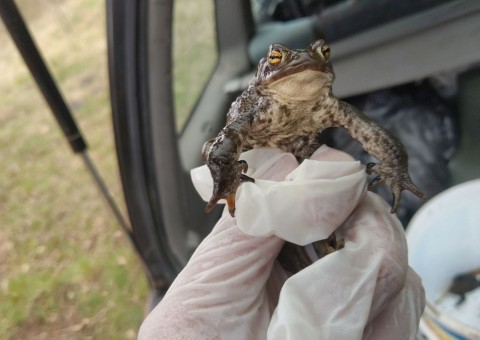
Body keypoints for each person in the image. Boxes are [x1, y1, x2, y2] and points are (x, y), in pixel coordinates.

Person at [138, 146, 425, 339]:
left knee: (369, 258)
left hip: (323, 211)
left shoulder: (324, 104)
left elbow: (366, 130)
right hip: (281, 229)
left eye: (323, 52)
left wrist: (395, 171)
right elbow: (219, 145)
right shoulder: (258, 106)